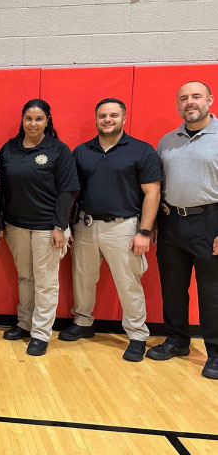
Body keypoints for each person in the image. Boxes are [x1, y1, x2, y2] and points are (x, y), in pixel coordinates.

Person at [61, 98, 161, 362]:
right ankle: (83, 322)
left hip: (125, 227)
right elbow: (71, 192)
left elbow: (152, 193)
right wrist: (67, 225)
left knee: (129, 283)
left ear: (124, 118)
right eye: (102, 115)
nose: (107, 120)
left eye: (113, 115)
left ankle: (138, 335)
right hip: (86, 224)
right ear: (96, 119)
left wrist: (145, 232)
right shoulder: (82, 152)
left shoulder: (141, 151)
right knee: (82, 278)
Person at [148, 81, 218, 379]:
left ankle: (215, 352)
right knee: (173, 287)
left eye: (196, 97)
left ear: (210, 101)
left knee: (212, 292)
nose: (190, 102)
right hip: (172, 221)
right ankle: (177, 340)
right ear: (178, 105)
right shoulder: (167, 141)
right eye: (184, 98)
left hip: (210, 221)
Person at [0, 99, 79, 356]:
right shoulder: (9, 149)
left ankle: (41, 333)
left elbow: (68, 190)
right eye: (29, 118)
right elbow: (0, 190)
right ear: (22, 120)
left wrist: (60, 226)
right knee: (25, 277)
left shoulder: (58, 150)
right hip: (17, 225)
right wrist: (1, 222)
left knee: (45, 282)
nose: (33, 123)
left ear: (47, 121)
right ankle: (25, 323)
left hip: (47, 228)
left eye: (39, 119)